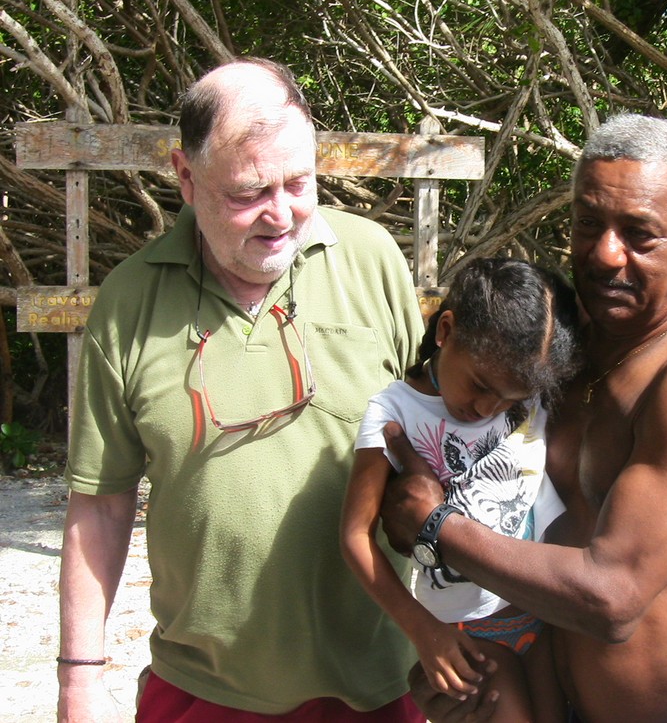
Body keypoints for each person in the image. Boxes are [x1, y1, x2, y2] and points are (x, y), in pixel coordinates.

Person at [380, 114, 667, 722]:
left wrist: (437, 527)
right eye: (587, 224)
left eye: (639, 234)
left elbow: (613, 596)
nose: (605, 254)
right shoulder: (559, 344)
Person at [57, 58, 427, 722]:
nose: (281, 215)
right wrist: (78, 683)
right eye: (248, 193)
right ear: (185, 176)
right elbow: (102, 505)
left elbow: (441, 444)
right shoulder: (129, 301)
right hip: (203, 688)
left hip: (376, 684)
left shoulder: (372, 260)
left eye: (299, 183)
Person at [342, 257, 580, 723]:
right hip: (470, 632)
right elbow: (354, 536)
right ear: (446, 330)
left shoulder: (529, 387)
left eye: (509, 400)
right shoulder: (394, 413)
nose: (488, 408)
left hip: (545, 610)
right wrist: (422, 630)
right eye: (480, 386)